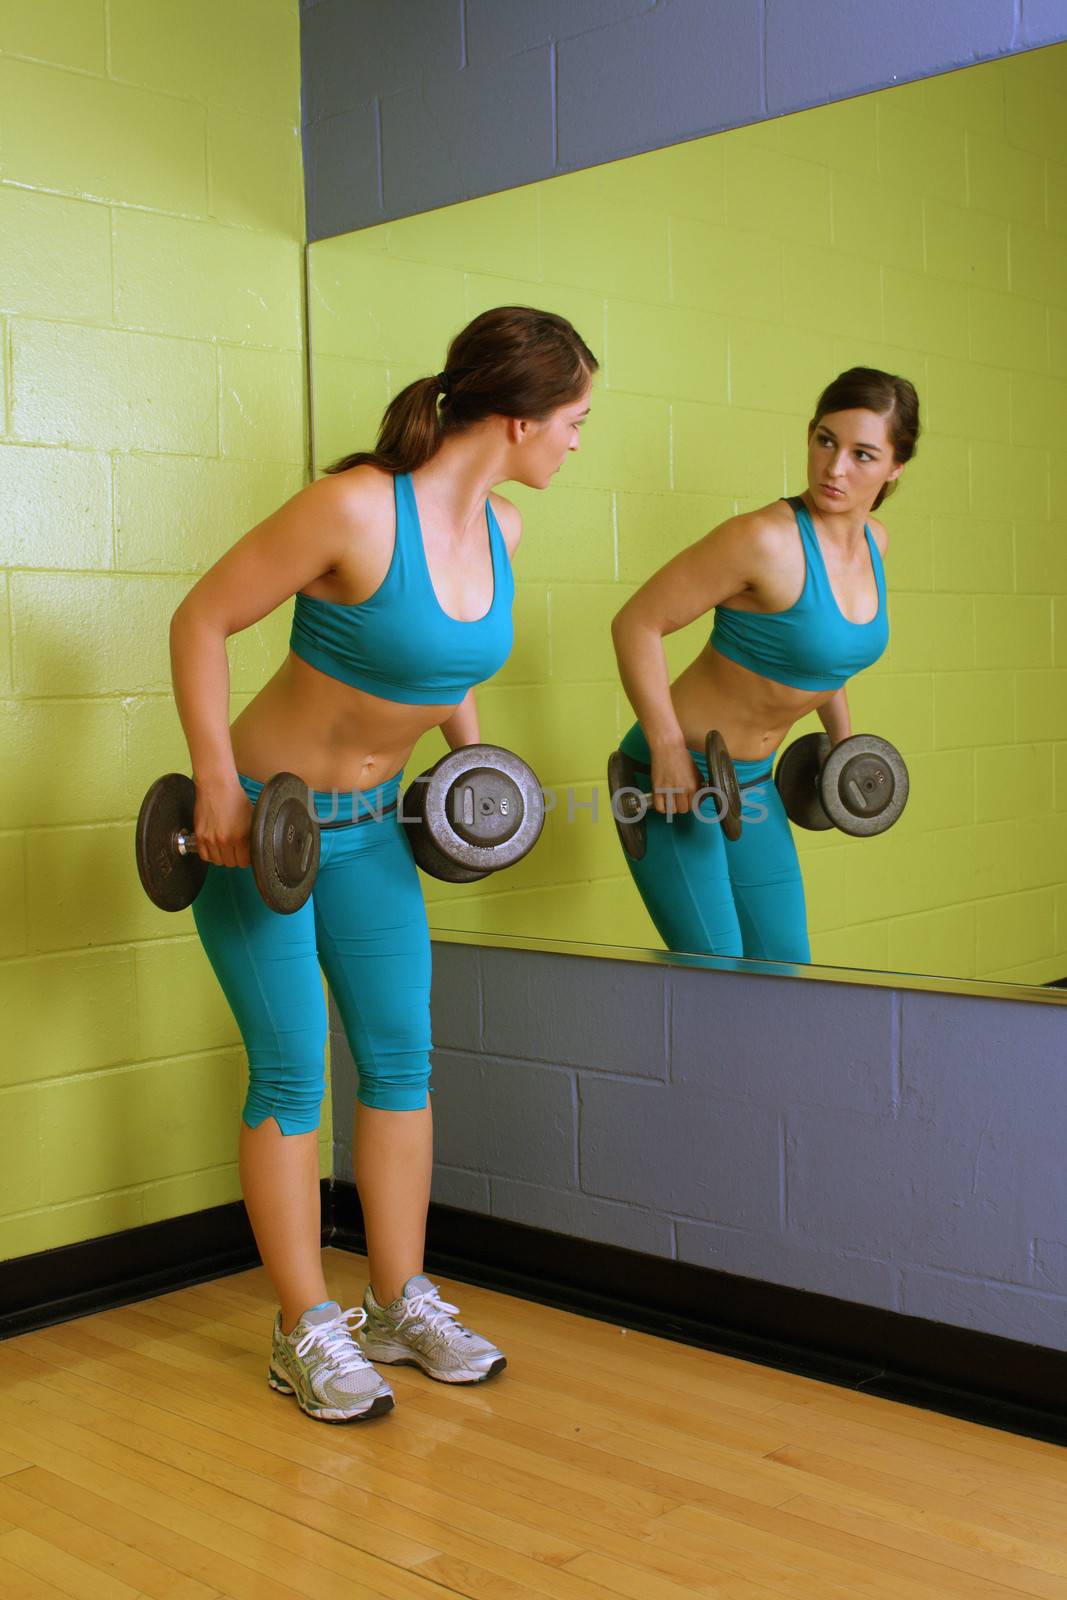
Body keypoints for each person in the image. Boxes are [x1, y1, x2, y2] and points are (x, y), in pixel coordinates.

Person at [169, 306, 596, 1422]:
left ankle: (399, 1302)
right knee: (291, 1071)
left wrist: (472, 775)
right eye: (573, 420)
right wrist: (214, 781)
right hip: (266, 831)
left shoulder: (499, 532)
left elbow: (443, 659)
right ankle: (303, 1326)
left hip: (373, 833)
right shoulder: (356, 508)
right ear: (515, 418)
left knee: (401, 1058)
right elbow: (201, 618)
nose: (576, 441)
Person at [610, 366, 919, 964]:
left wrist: (844, 745)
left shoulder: (874, 544)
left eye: (862, 454)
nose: (834, 468)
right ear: (810, 435)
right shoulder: (763, 539)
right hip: (675, 777)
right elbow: (636, 623)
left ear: (896, 466)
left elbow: (826, 659)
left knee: (785, 965)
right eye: (825, 441)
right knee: (717, 970)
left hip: (752, 782)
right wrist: (668, 748)